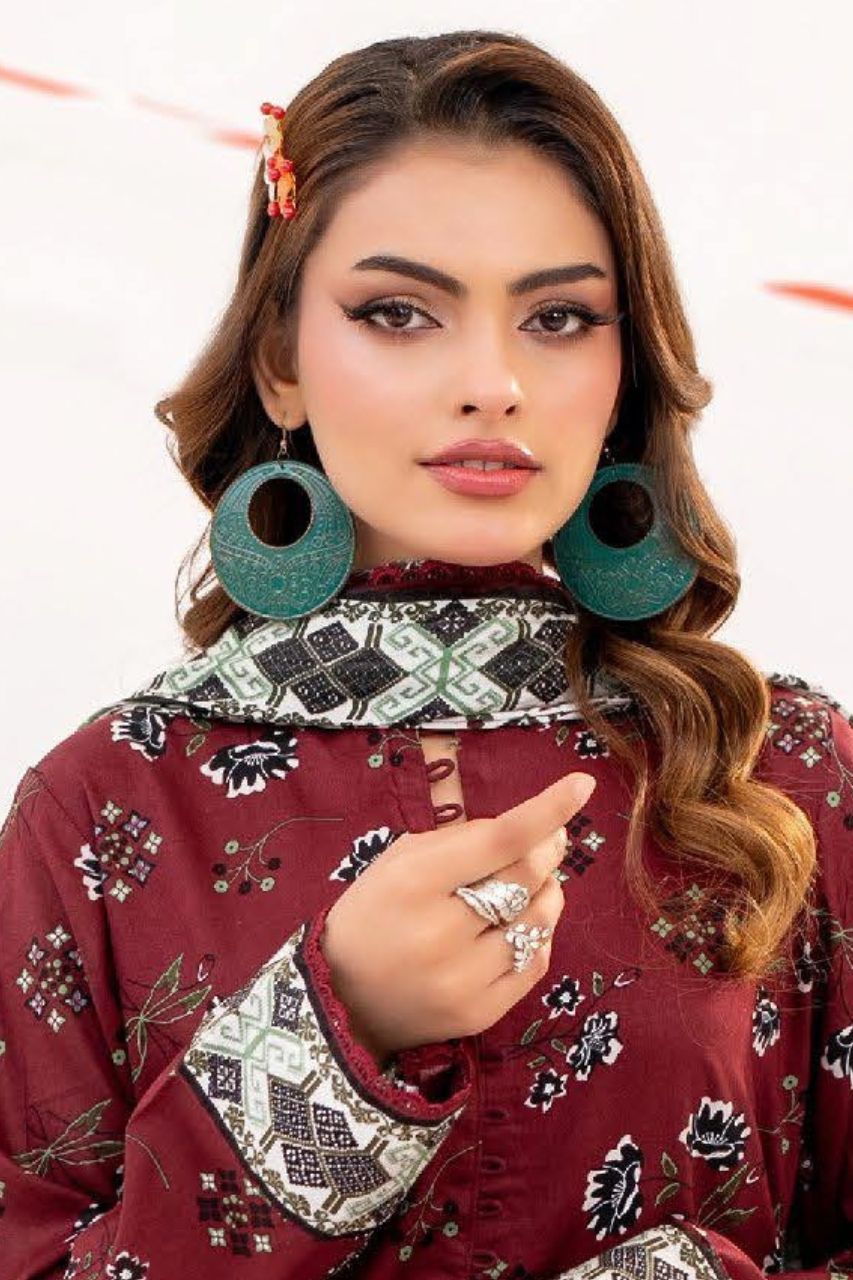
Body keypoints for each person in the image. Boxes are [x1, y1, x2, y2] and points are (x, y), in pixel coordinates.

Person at [0, 28, 850, 1280]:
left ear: (623, 367)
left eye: (559, 316)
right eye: (398, 313)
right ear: (280, 360)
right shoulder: (102, 809)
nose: (491, 381)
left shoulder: (784, 772)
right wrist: (331, 1030)